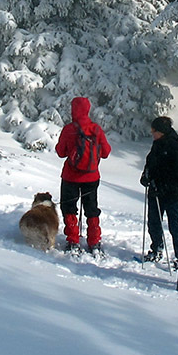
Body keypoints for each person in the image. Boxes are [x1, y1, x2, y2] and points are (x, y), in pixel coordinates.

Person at [55, 97, 112, 253]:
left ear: (73, 110)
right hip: (91, 177)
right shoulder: (96, 129)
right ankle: (94, 241)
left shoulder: (69, 129)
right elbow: (106, 152)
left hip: (70, 177)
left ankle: (73, 240)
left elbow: (60, 152)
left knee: (69, 207)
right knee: (91, 208)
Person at [140, 116, 178, 267]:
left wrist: (162, 186)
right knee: (154, 223)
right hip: (156, 192)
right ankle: (156, 249)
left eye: (154, 130)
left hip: (171, 195)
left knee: (175, 226)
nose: (152, 133)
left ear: (162, 131)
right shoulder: (156, 145)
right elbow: (150, 164)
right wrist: (145, 177)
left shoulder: (175, 148)